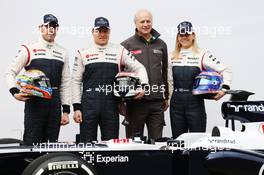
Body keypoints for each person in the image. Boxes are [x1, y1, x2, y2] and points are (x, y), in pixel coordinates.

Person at [72, 17, 148, 142]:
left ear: (109, 32)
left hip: (111, 104)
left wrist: (143, 86)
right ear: (93, 32)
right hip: (89, 104)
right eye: (99, 31)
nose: (102, 34)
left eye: (105, 31)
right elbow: (75, 81)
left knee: (111, 144)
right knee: (86, 144)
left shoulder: (120, 50)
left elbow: (140, 67)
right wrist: (76, 108)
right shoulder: (83, 52)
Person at [5, 14, 71, 145]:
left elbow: (66, 82)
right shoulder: (29, 48)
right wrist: (14, 91)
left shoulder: (63, 51)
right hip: (35, 102)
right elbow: (10, 72)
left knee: (51, 145)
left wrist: (66, 111)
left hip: (55, 102)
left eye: (54, 27)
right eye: (47, 27)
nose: (51, 30)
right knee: (31, 143)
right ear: (41, 28)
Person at [169, 21, 232, 139]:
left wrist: (224, 90)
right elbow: (169, 82)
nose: (184, 38)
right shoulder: (171, 56)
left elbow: (226, 70)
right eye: (181, 35)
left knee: (197, 142)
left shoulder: (202, 54)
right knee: (178, 142)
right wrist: (167, 100)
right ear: (177, 37)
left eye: (187, 34)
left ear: (193, 36)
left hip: (194, 103)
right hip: (176, 103)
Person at [121, 9, 169, 140]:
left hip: (156, 102)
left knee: (157, 143)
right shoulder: (126, 45)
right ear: (136, 24)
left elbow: (165, 71)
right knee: (134, 144)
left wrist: (166, 96)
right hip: (135, 102)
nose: (146, 24)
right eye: (142, 21)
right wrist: (122, 101)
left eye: (148, 21)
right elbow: (120, 75)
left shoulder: (161, 44)